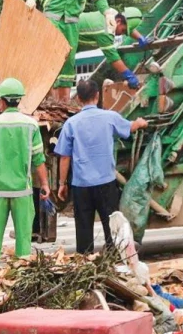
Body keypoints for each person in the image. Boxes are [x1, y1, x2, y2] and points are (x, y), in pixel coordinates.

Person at [53, 75, 150, 256]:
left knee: (83, 226)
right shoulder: (109, 117)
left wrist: (61, 184)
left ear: (78, 99)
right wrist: (141, 123)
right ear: (97, 96)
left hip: (81, 185)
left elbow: (64, 157)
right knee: (111, 225)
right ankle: (113, 259)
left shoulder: (71, 124)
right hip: (106, 182)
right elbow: (131, 127)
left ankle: (85, 259)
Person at [0, 79, 48, 271]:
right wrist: (45, 185)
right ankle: (22, 277)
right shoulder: (31, 125)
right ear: (19, 101)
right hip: (22, 192)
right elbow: (38, 159)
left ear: (1, 101)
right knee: (23, 239)